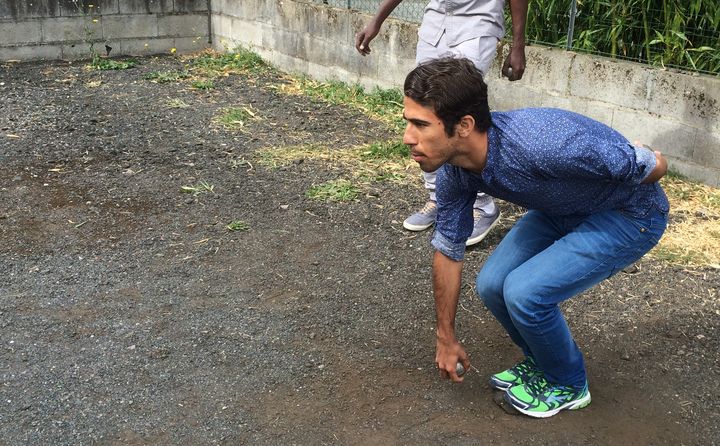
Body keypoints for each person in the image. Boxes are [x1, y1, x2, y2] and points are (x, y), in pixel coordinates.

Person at [402, 57, 669, 418]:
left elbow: (650, 166)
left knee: (526, 293)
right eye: (408, 122)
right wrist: (445, 338)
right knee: (493, 284)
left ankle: (568, 384)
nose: (408, 137)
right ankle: (543, 364)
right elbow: (448, 252)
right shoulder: (455, 172)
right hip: (562, 209)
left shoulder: (544, 143)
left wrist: (651, 160)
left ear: (464, 125)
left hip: (629, 215)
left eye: (420, 124)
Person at [355, 0, 528, 246]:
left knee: (458, 113)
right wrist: (377, 20)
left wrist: (518, 45)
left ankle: (482, 205)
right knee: (424, 107)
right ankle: (439, 198)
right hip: (436, 24)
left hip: (477, 25)